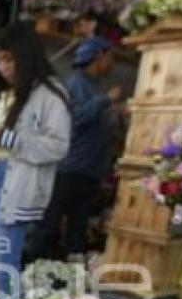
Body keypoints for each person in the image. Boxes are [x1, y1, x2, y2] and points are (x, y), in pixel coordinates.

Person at [0, 22, 71, 299]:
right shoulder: (1, 94)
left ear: (27, 56)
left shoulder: (50, 95)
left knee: (4, 267)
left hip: (13, 185)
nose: (3, 67)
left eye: (9, 59)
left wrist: (5, 137)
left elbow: (58, 145)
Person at [35, 36, 120, 262]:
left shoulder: (92, 86)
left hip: (88, 173)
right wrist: (104, 101)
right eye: (110, 57)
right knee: (48, 225)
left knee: (77, 231)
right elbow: (74, 119)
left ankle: (67, 281)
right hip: (68, 170)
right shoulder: (74, 84)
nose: (111, 63)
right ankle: (28, 273)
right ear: (99, 57)